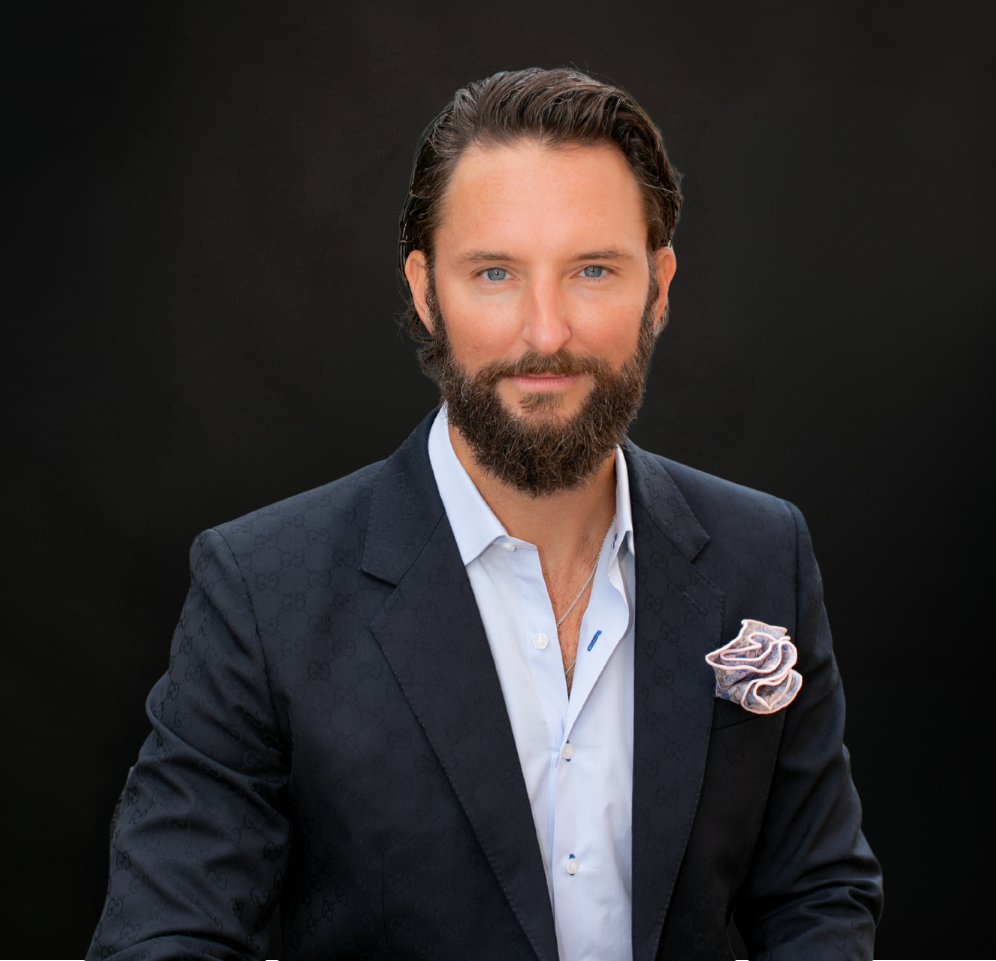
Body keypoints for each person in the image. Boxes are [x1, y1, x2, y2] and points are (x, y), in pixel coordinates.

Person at [88, 67, 882, 961]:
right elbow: (167, 936)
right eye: (495, 272)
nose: (545, 333)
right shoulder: (262, 592)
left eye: (592, 269)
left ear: (658, 287)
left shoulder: (763, 551)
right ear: (427, 291)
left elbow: (817, 894)